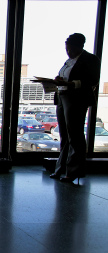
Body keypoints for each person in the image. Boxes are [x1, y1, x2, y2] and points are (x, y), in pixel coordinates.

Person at [49, 33, 100, 184]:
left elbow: (92, 81)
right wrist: (58, 80)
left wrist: (71, 84)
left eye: (70, 49)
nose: (68, 52)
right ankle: (61, 169)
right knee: (64, 135)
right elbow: (65, 77)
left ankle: (73, 171)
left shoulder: (90, 60)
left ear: (80, 47)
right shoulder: (68, 61)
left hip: (76, 99)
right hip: (63, 97)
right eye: (67, 49)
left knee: (75, 135)